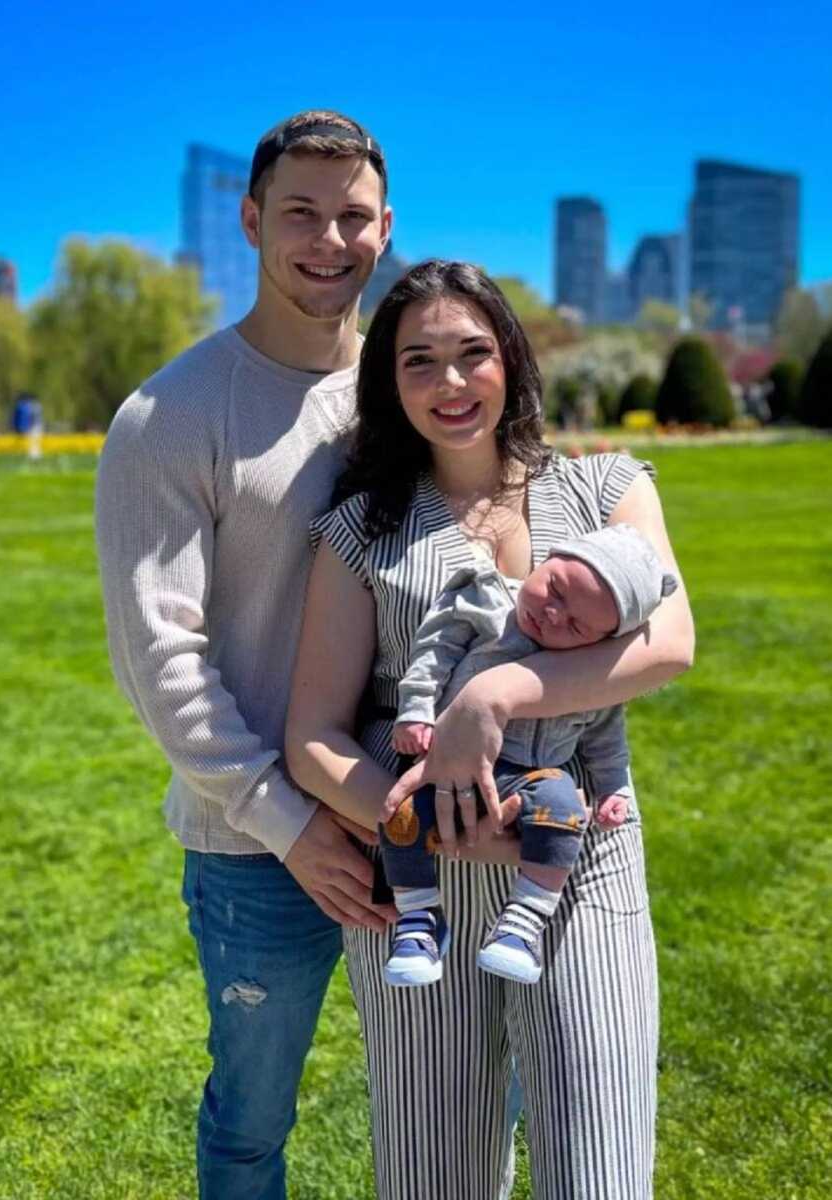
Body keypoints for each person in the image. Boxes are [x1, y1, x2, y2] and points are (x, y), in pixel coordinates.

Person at [285, 259, 695, 1200]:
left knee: (599, 1165)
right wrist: (410, 805)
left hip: (577, 857)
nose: (451, 382)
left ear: (510, 357)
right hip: (420, 886)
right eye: (418, 361)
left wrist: (492, 698)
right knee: (436, 1174)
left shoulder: (606, 491)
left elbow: (671, 644)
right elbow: (312, 733)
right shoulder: (360, 534)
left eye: (473, 352)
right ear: (389, 382)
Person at [95, 110, 394, 1200]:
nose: (330, 239)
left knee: (456, 1093)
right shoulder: (170, 415)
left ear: (384, 226)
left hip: (416, 822)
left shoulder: (406, 392)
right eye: (302, 214)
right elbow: (158, 658)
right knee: (251, 1125)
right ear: (252, 219)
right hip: (254, 850)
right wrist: (288, 820)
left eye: (352, 215)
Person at [381, 523, 678, 987]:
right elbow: (433, 653)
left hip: (532, 776)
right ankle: (419, 917)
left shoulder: (585, 677)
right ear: (546, 560)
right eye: (554, 588)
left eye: (577, 624)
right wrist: (416, 712)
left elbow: (605, 735)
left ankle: (523, 923)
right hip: (448, 764)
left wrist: (614, 786)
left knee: (564, 808)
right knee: (399, 813)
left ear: (599, 644)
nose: (554, 615)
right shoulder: (490, 603)